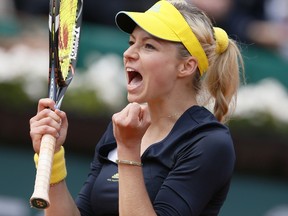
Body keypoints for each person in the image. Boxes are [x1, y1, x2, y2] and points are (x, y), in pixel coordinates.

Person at [29, 0, 244, 215]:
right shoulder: (122, 129)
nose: (129, 53)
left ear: (186, 66)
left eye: (149, 46)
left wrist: (129, 149)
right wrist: (53, 157)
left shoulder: (209, 143)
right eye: (131, 42)